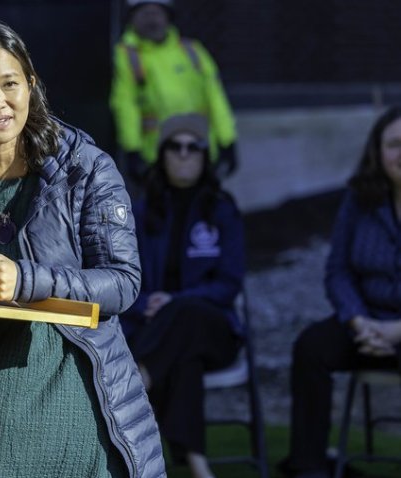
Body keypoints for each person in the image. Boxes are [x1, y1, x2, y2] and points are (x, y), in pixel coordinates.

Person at [0, 20, 164, 478]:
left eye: (10, 84)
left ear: (32, 85)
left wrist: (25, 280)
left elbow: (123, 283)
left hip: (68, 388)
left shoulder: (85, 169)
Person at [121, 114, 244, 478]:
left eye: (195, 147)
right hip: (157, 327)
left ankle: (137, 378)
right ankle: (196, 463)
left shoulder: (222, 210)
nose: (185, 154)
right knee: (182, 358)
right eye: (176, 146)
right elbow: (126, 278)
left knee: (186, 311)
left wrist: (176, 300)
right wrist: (149, 304)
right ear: (163, 154)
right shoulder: (142, 212)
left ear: (206, 156)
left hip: (213, 328)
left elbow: (229, 283)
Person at [283, 106, 401, 478]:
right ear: (377, 151)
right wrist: (358, 321)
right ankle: (310, 467)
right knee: (311, 347)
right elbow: (338, 270)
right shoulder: (359, 198)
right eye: (395, 144)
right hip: (364, 323)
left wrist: (396, 331)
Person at [110, 0, 238, 182]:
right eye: (144, 13)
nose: (151, 20)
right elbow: (124, 104)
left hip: (200, 149)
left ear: (168, 17)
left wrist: (228, 140)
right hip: (156, 156)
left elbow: (215, 96)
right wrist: (132, 149)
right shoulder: (128, 55)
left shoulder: (192, 50)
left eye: (156, 13)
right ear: (132, 19)